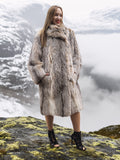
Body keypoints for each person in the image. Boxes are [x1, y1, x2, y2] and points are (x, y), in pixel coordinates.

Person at [28, 5, 86, 151]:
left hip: (68, 80)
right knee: (49, 106)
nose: (58, 18)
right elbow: (34, 60)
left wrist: (73, 75)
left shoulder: (70, 33)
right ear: (50, 16)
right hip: (49, 80)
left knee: (75, 107)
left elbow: (76, 57)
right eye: (55, 15)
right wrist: (42, 75)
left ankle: (77, 136)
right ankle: (51, 134)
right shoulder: (41, 35)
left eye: (60, 15)